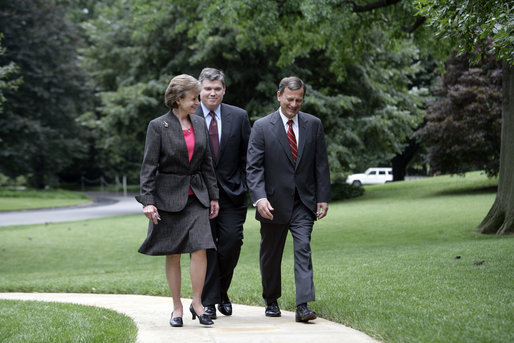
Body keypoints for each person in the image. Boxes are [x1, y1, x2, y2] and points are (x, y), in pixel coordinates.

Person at [135, 74, 219, 327]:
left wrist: (214, 195)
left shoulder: (199, 123)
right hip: (168, 198)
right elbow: (148, 166)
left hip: (197, 197)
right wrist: (148, 201)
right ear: (179, 99)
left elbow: (207, 164)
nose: (198, 102)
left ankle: (198, 303)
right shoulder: (158, 126)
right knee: (172, 254)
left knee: (201, 247)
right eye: (194, 98)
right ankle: (177, 308)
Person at [246, 76, 331, 323]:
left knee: (303, 248)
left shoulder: (314, 125)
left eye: (299, 100)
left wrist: (323, 197)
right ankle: (271, 299)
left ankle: (303, 306)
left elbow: (321, 164)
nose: (294, 105)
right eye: (290, 99)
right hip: (271, 205)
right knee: (271, 254)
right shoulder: (261, 127)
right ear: (279, 96)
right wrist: (259, 199)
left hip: (303, 203)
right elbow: (253, 168)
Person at [194, 68, 251, 319]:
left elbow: (248, 157)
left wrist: (245, 185)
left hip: (233, 194)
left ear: (224, 90)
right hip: (199, 196)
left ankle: (222, 291)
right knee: (207, 247)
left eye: (217, 88)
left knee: (231, 242)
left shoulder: (239, 117)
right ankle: (210, 300)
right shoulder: (188, 115)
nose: (212, 93)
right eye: (208, 88)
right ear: (200, 91)